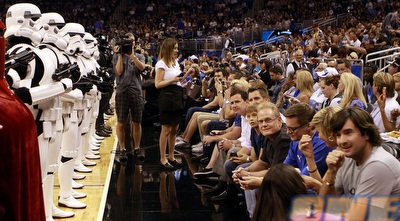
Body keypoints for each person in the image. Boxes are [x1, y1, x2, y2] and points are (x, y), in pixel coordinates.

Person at [320, 108, 400, 220]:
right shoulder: (347, 158)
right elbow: (325, 204)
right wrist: (331, 172)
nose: (342, 141)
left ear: (367, 134)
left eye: (348, 133)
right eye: (338, 135)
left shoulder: (378, 164)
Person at [113, 32, 146, 160]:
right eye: (126, 40)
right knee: (121, 122)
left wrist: (132, 56)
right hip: (122, 91)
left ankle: (137, 148)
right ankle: (122, 149)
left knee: (137, 121)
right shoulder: (116, 56)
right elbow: (119, 71)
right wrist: (120, 55)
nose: (129, 42)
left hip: (136, 91)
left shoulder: (139, 56)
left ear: (134, 43)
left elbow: (142, 68)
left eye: (131, 40)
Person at [155, 38, 185, 170]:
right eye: (175, 48)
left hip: (177, 95)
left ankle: (172, 156)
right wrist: (173, 80)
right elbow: (157, 84)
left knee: (174, 129)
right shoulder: (161, 64)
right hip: (167, 97)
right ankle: (162, 158)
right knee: (166, 129)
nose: (177, 50)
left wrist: (185, 76)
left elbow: (177, 80)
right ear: (169, 49)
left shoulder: (175, 62)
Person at [283, 103, 333, 181]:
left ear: (309, 126)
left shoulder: (323, 143)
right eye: (287, 127)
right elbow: (284, 169)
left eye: (292, 129)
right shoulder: (295, 139)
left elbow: (307, 180)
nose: (288, 132)